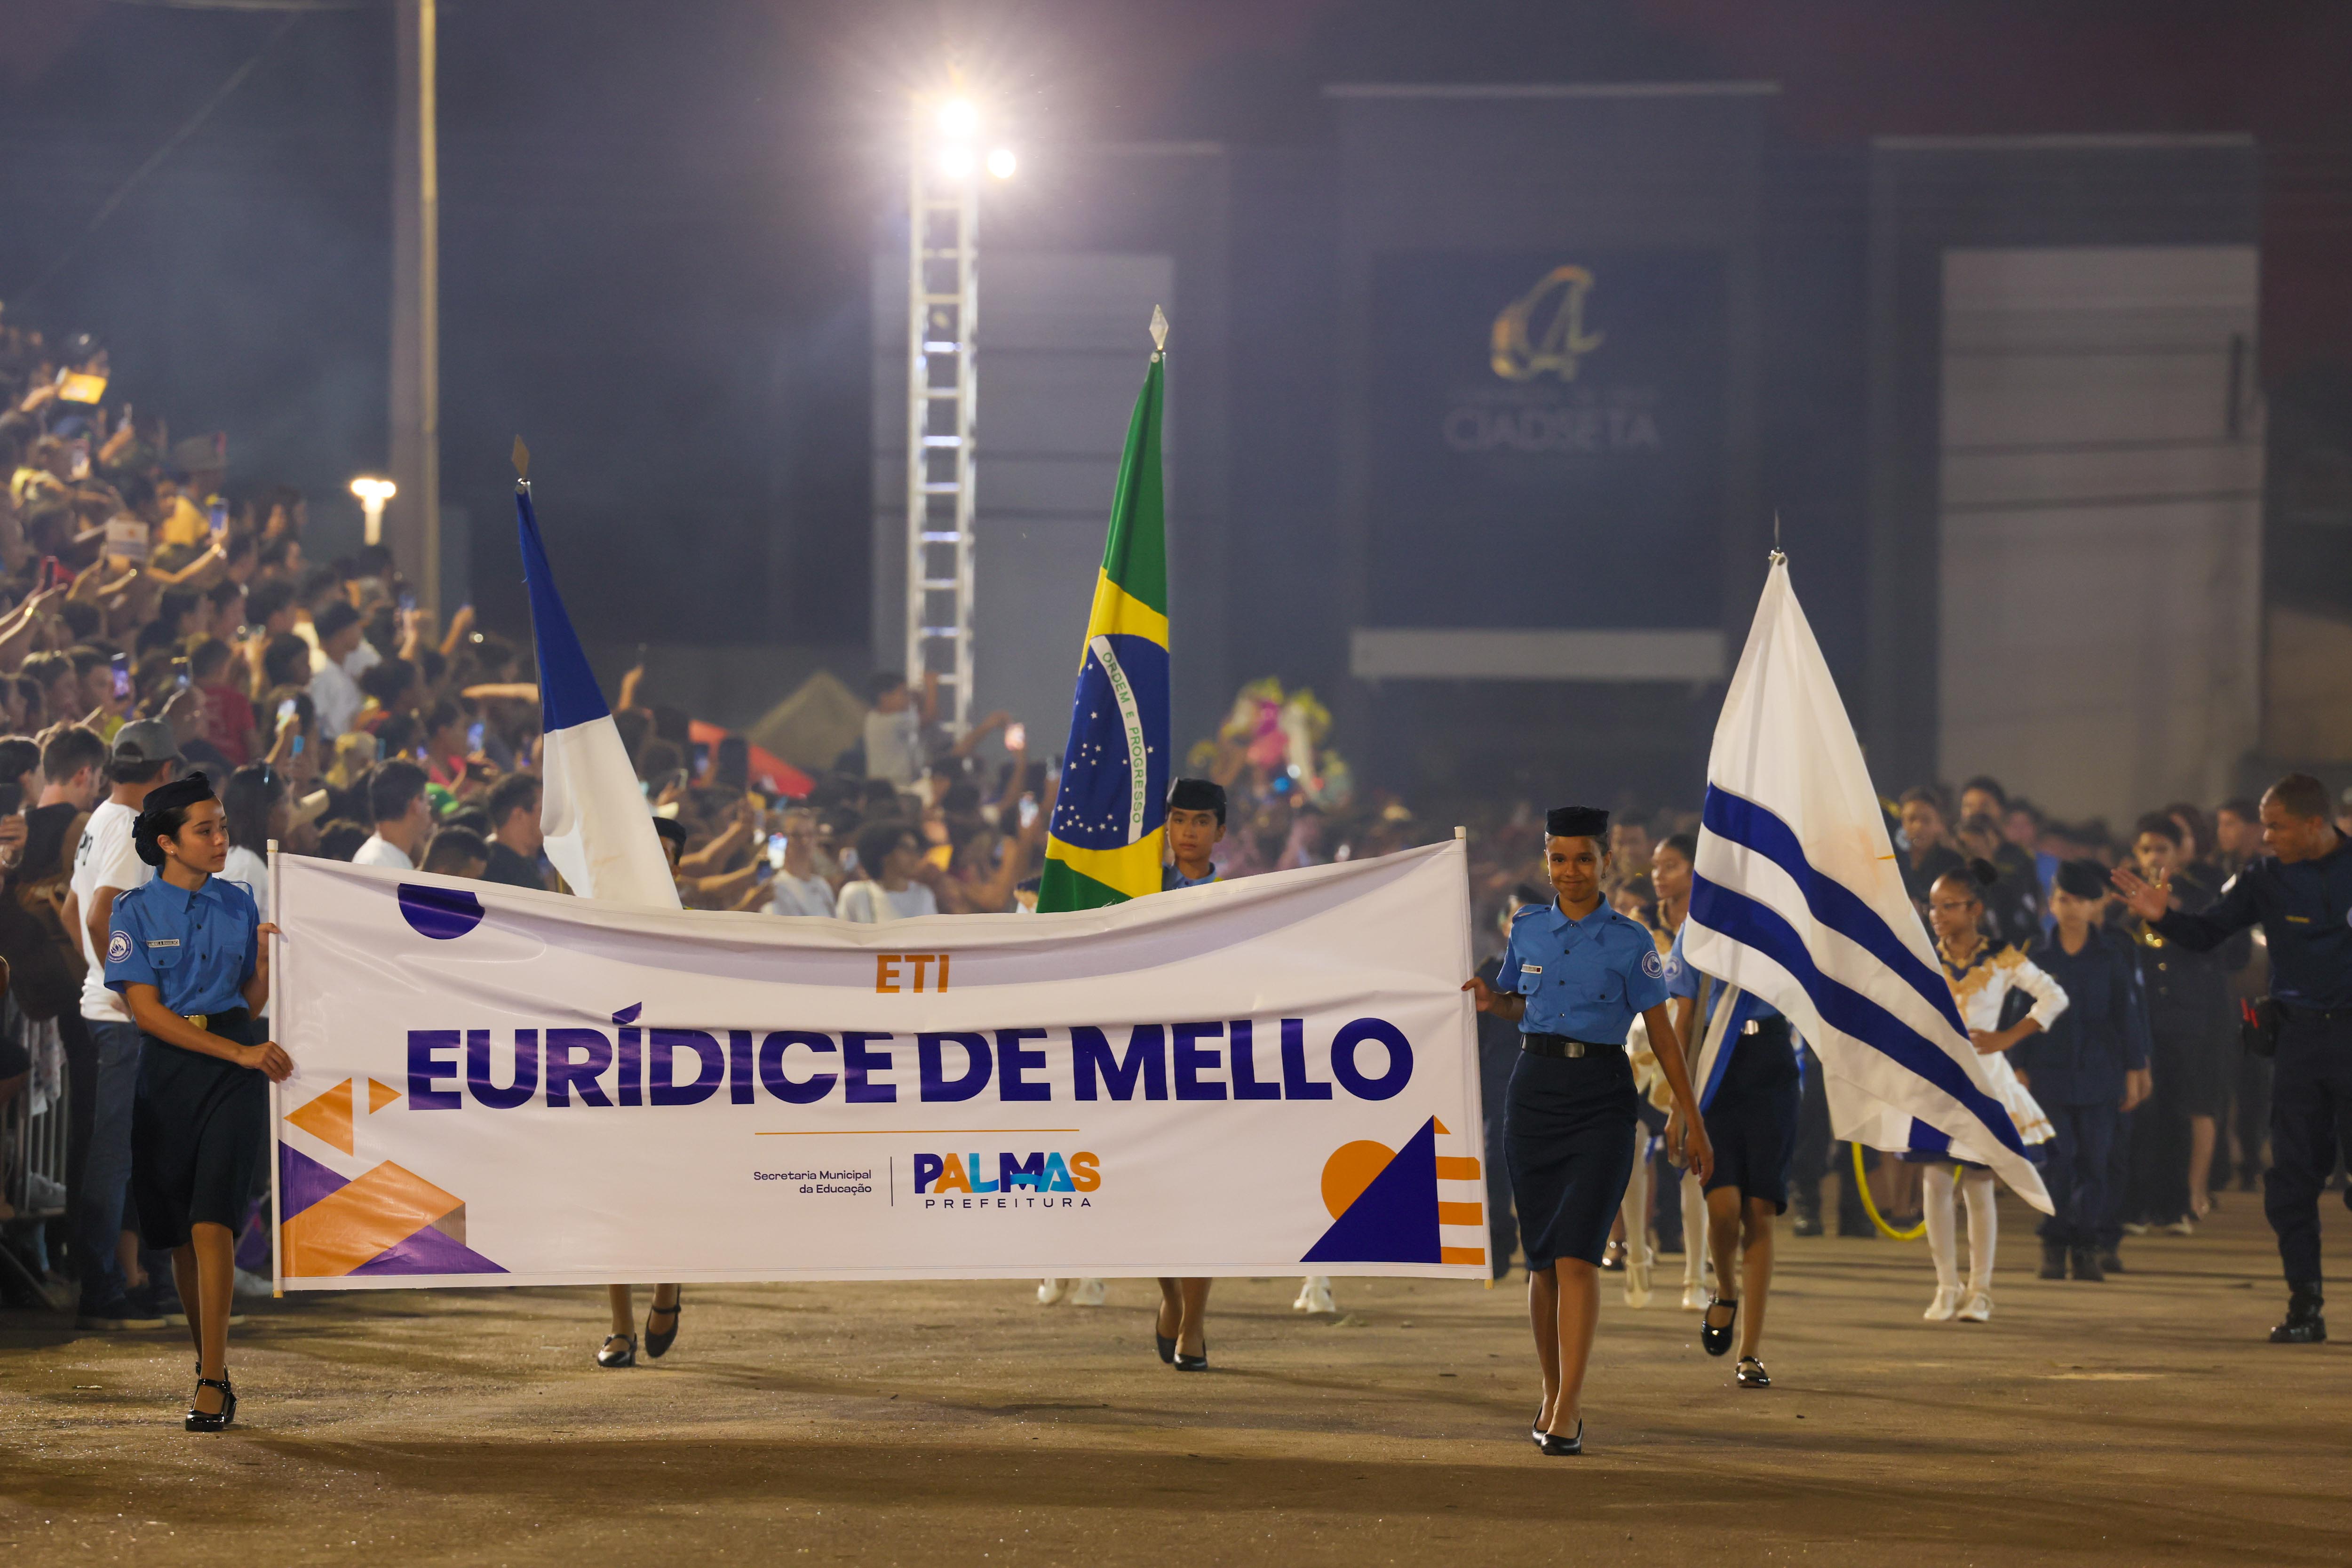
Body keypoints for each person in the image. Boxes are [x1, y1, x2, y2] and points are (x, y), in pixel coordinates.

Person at [1465, 805, 1712, 1456]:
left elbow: (1662, 1035)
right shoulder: (1527, 929)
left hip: (1603, 1099)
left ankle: (1570, 1404)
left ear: (1607, 862)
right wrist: (1494, 1002)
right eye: (1558, 858)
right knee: (1542, 1258)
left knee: (1578, 1251)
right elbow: (1521, 1000)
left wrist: (1689, 1112)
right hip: (1534, 1096)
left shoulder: (1632, 943)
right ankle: (1551, 1389)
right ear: (1545, 861)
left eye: (1583, 858)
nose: (1570, 871)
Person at [2112, 773, 2352, 1343]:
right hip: (2295, 1045)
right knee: (2291, 1182)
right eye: (2264, 825)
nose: (2265, 837)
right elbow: (2207, 933)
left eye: (2276, 826)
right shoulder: (2262, 878)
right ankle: (2305, 1306)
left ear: (2314, 824)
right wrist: (2162, 917)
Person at [106, 771, 291, 1430]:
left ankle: (213, 1379)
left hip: (235, 1072)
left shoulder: (240, 901)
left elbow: (247, 1004)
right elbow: (146, 1012)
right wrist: (238, 1048)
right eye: (204, 829)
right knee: (183, 1238)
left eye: (222, 826)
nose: (220, 838)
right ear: (168, 842)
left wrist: (266, 976)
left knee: (214, 1220)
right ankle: (207, 1362)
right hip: (170, 1073)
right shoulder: (131, 911)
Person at [61, 720, 180, 1330]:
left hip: (104, 1011)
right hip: (121, 1018)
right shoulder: (133, 830)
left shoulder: (100, 821)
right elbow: (100, 913)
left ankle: (126, 1281)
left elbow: (71, 909)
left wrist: (94, 972)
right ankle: (102, 1286)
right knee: (116, 1155)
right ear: (163, 773)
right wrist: (133, 995)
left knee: (124, 1152)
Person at [1921, 865, 2062, 1321]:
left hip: (1984, 1081)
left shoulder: (2002, 957)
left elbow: (2053, 997)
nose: (1936, 915)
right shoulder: (1922, 956)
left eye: (1947, 906)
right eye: (1932, 906)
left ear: (1974, 909)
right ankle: (1946, 1285)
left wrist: (2007, 1037)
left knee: (1978, 1186)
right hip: (1940, 1080)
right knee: (1935, 1180)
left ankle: (1979, 1290)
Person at [1665, 915, 1800, 1386]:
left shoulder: (1780, 914)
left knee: (1759, 1210)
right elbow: (1683, 1019)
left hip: (1772, 1065)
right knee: (1722, 1208)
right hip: (1714, 1067)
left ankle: (1749, 1352)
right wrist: (1677, 1107)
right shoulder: (1699, 925)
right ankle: (1725, 1290)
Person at [2019, 860, 2151, 1284]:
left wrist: (2136, 1069)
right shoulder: (2035, 957)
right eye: (2062, 899)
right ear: (2051, 904)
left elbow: (2127, 1015)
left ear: (2095, 905)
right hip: (2049, 1072)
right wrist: (2017, 1067)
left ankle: (2087, 1245)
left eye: (2079, 900)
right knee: (2056, 1161)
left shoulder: (2112, 955)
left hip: (2100, 1071)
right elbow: (2018, 1015)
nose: (2070, 907)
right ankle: (2053, 1243)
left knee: (2095, 1162)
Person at [2121, 813, 2241, 1235]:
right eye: (2147, 849)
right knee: (2141, 1113)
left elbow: (2224, 948)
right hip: (2141, 1017)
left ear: (2179, 854)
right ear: (2136, 853)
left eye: (2162, 849)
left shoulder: (2199, 897)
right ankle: (2136, 1205)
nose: (2154, 856)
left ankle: (2175, 1206)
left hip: (2187, 1020)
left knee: (2178, 1112)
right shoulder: (2123, 897)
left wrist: (2174, 914)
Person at [1148, 778, 1230, 1367]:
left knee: (1206, 1193)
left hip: (1208, 1059)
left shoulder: (1238, 897)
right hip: (1141, 1057)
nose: (1189, 832)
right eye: (1179, 820)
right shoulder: (1136, 889)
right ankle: (1172, 1296)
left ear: (1220, 831)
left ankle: (1194, 1326)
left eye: (1201, 821)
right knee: (1149, 1192)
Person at [217, 764, 284, 924]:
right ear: (268, 812)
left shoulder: (243, 860)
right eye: (284, 802)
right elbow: (230, 937)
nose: (288, 812)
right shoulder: (244, 867)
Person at [834, 822, 938, 923]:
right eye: (906, 849)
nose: (914, 856)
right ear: (884, 852)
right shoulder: (856, 893)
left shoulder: (924, 894)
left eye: (916, 850)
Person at [352, 759, 430, 870]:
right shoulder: (380, 863)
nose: (429, 809)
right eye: (429, 800)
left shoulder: (386, 856)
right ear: (417, 803)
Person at [479, 772, 549, 891]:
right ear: (519, 815)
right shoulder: (487, 869)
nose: (549, 817)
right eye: (542, 810)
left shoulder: (526, 865)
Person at [765, 805, 837, 917]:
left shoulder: (822, 886)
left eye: (810, 834)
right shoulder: (775, 888)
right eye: (796, 835)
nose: (805, 841)